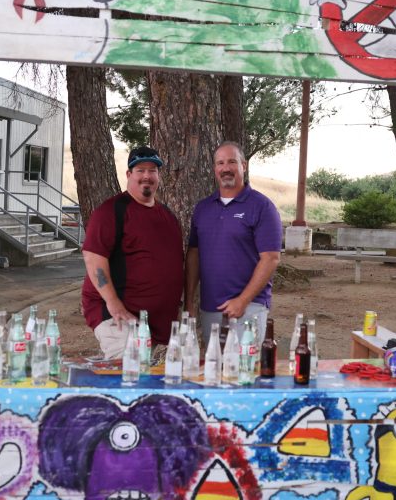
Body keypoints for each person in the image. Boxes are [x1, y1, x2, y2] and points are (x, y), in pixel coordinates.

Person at [81, 146, 184, 358]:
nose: (147, 176)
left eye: (152, 170)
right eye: (140, 170)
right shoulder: (111, 211)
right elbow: (93, 259)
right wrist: (114, 304)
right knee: (131, 372)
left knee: (141, 373)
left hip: (150, 323)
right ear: (129, 174)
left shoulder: (167, 216)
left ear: (159, 176)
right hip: (120, 317)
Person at [185, 141, 282, 341]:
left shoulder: (262, 207)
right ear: (215, 169)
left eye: (232, 162)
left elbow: (271, 258)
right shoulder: (203, 209)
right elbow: (194, 254)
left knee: (244, 362)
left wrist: (242, 300)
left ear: (243, 166)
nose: (226, 168)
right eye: (220, 163)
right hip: (210, 307)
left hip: (249, 307)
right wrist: (189, 302)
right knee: (214, 361)